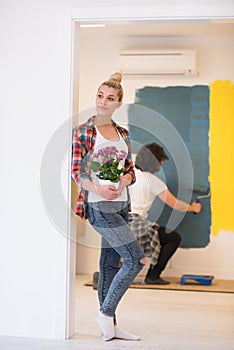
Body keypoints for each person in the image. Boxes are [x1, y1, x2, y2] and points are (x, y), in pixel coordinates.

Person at [71, 72, 146, 342]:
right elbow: (77, 171)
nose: (103, 101)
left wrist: (125, 179)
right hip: (99, 205)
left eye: (110, 98)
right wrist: (98, 188)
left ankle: (109, 328)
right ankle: (105, 312)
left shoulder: (122, 133)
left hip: (122, 204)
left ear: (118, 103)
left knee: (110, 264)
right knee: (136, 259)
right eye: (100, 96)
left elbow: (130, 170)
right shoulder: (83, 131)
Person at [128, 143, 201, 285]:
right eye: (161, 160)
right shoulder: (153, 181)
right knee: (173, 238)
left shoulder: (130, 175)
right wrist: (193, 208)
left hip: (121, 222)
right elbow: (176, 204)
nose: (161, 164)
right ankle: (153, 276)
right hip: (136, 223)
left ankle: (106, 274)